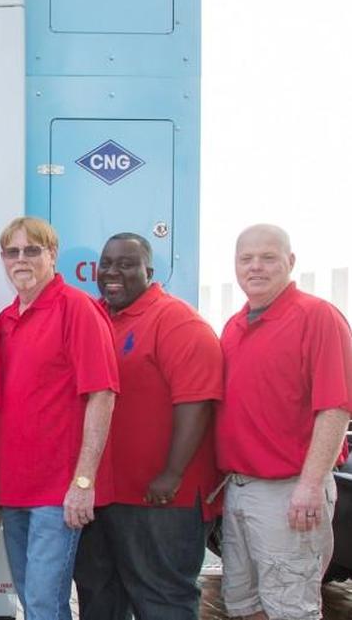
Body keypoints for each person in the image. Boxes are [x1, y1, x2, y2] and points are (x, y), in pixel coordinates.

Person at [73, 233, 223, 620]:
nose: (112, 273)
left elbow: (197, 402)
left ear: (149, 271)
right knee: (100, 598)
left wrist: (171, 475)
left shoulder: (177, 321)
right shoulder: (98, 317)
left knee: (162, 602)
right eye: (106, 263)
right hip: (105, 498)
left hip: (160, 501)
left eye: (126, 264)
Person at [215, 224, 352, 620]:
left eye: (268, 257)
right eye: (246, 259)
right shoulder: (235, 326)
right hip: (240, 489)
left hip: (290, 493)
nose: (255, 266)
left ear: (290, 262)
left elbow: (335, 408)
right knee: (244, 604)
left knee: (291, 608)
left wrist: (310, 485)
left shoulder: (317, 317)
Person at [0, 216, 118, 620]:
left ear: (53, 255)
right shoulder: (6, 319)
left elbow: (102, 396)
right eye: (13, 251)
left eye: (32, 250)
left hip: (56, 492)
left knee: (46, 604)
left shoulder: (76, 309)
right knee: (32, 601)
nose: (21, 259)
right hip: (13, 491)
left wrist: (83, 482)